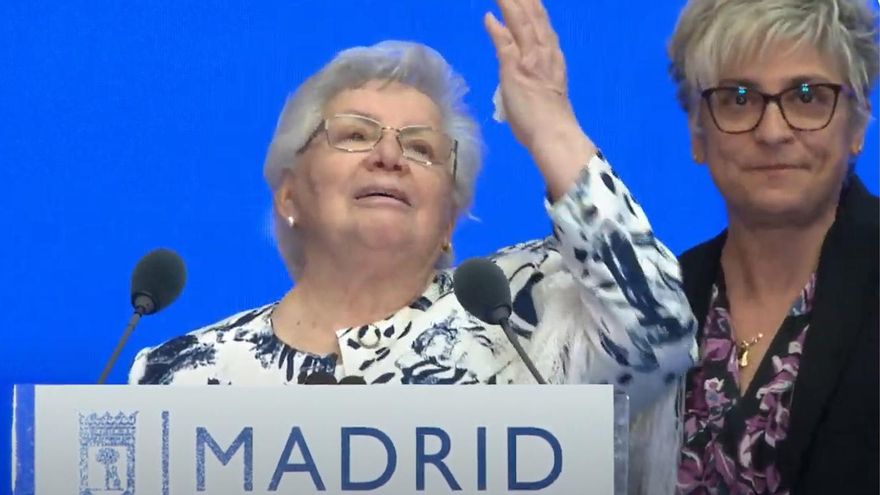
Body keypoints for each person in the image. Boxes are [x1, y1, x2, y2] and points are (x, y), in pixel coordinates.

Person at [130, 0, 697, 491]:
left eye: (422, 149)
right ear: (289, 196)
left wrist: (550, 124)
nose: (389, 157)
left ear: (449, 217)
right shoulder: (176, 376)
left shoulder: (529, 315)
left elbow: (660, 334)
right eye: (355, 135)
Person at [668, 0, 879, 493]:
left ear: (857, 126)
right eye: (739, 99)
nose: (773, 131)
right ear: (698, 134)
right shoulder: (661, 300)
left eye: (808, 95)